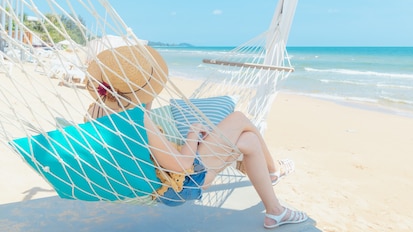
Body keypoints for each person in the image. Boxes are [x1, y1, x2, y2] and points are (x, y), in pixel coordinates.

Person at [84, 45, 308, 229]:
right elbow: (181, 166)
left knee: (248, 142)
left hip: (155, 181)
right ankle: (273, 173)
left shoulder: (94, 112)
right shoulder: (139, 120)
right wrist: (192, 135)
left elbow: (140, 149)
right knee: (239, 119)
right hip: (181, 187)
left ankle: (274, 211)